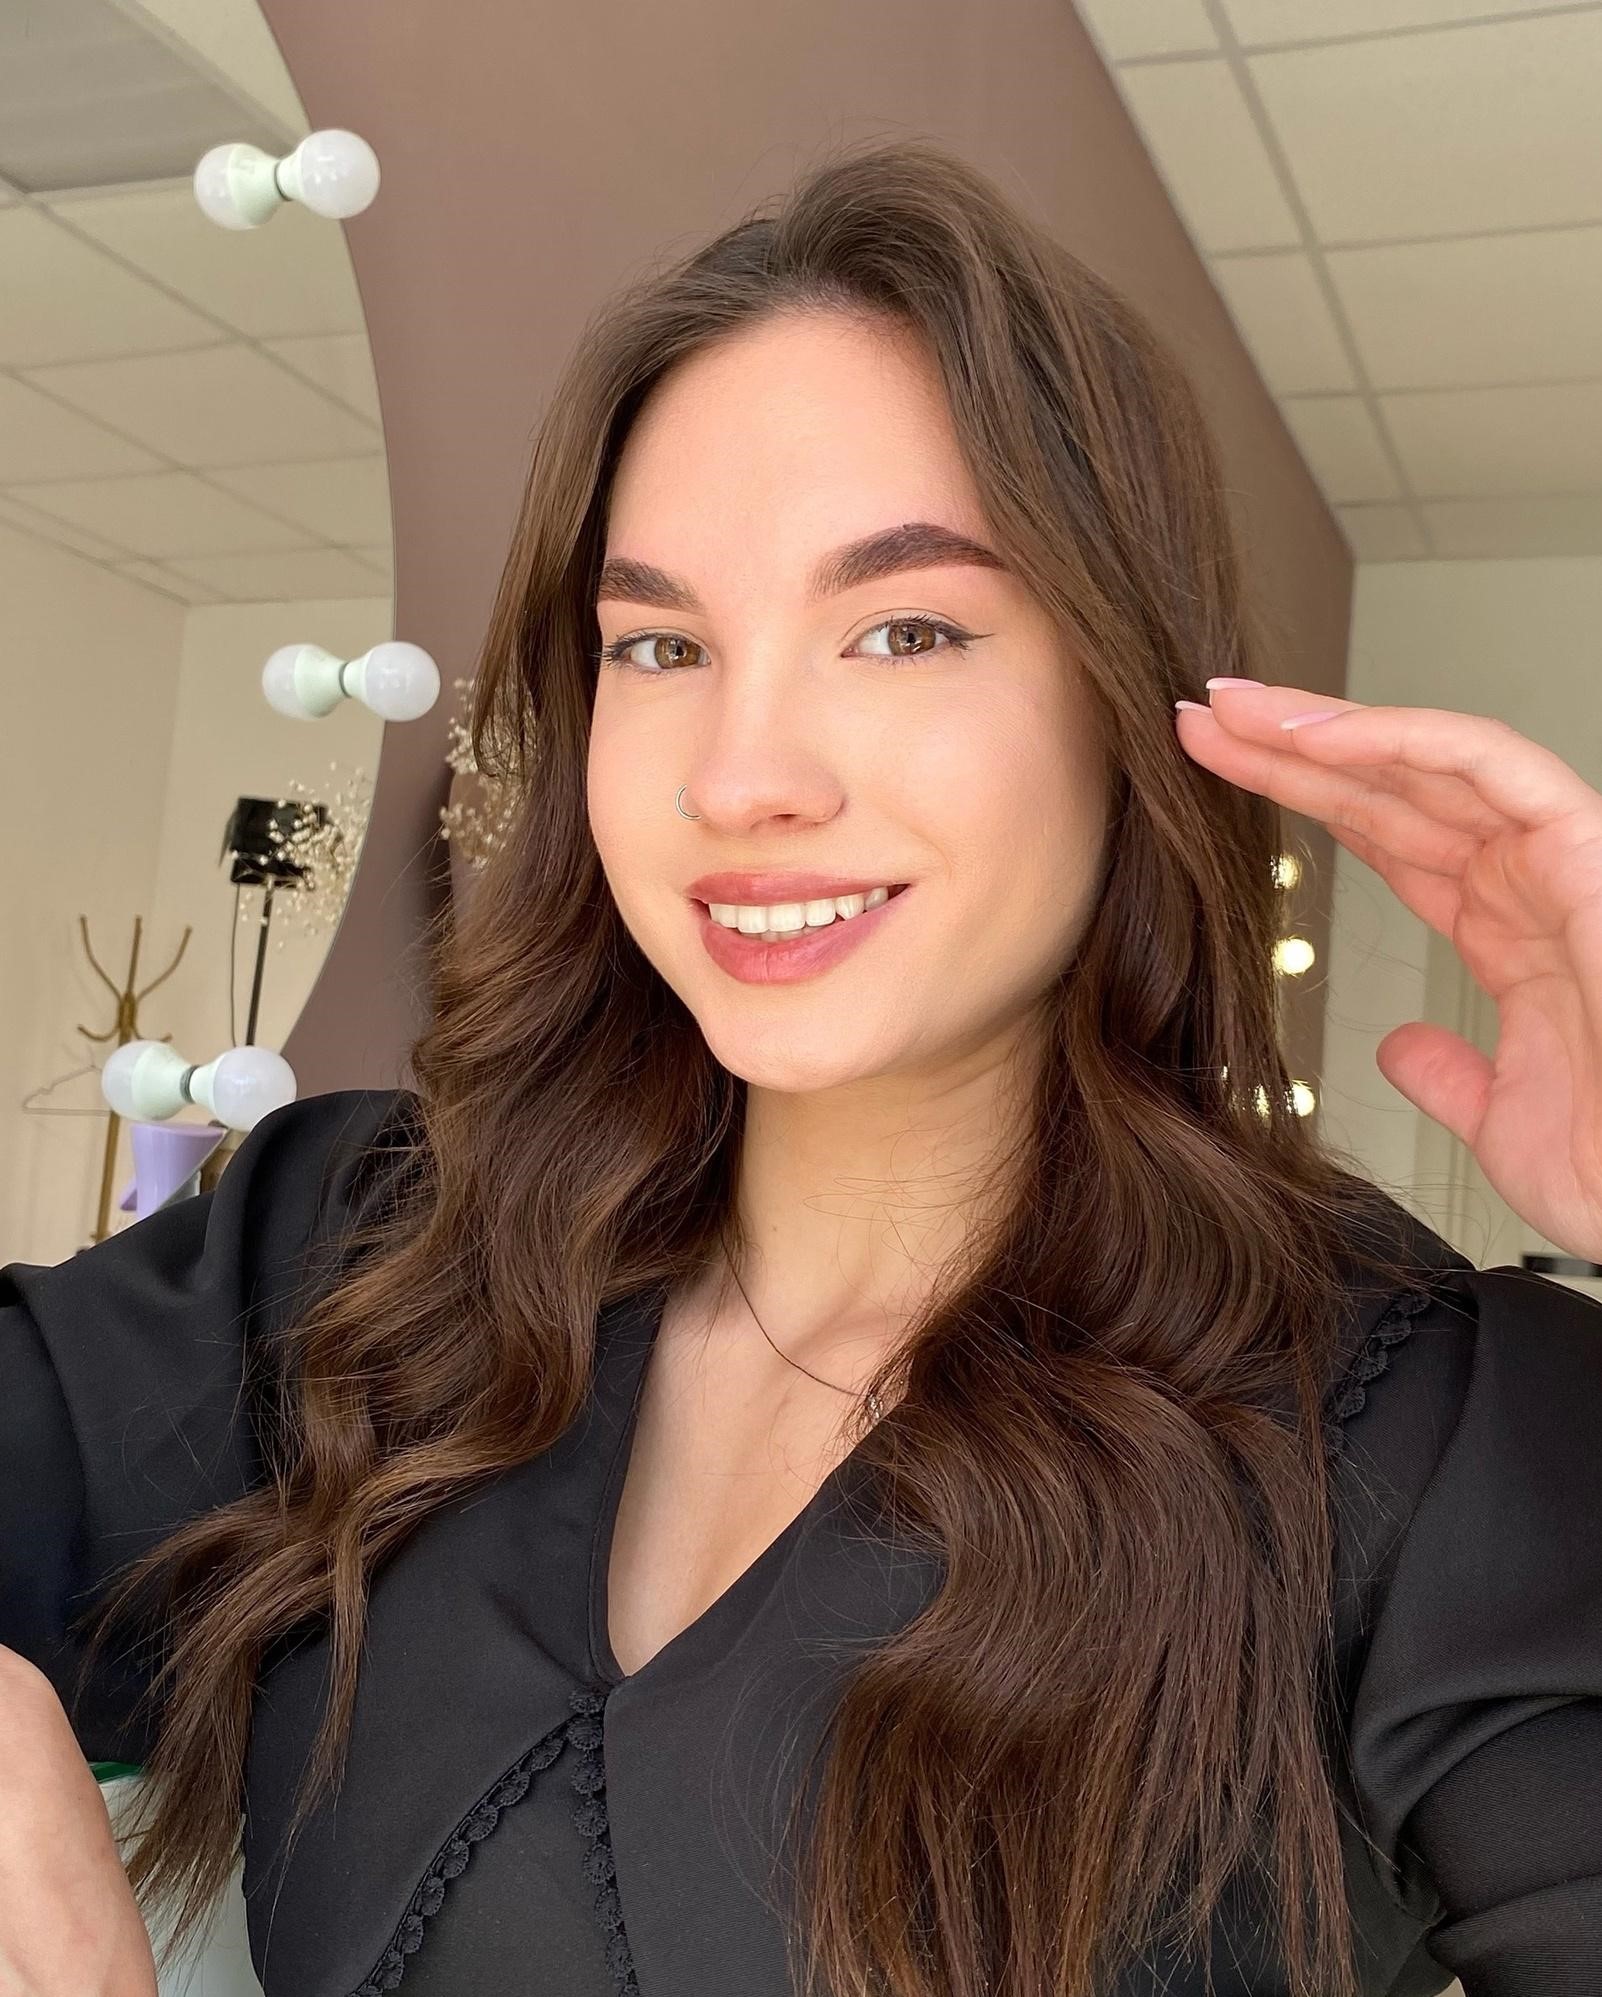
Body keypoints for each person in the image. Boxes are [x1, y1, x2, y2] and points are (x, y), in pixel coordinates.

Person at [3, 136, 1601, 1997]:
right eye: (659, 642)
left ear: (1128, 697)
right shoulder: (356, 1256)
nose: (738, 773)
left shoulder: (1411, 1426)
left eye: (902, 629)